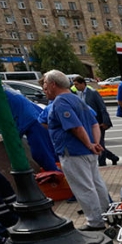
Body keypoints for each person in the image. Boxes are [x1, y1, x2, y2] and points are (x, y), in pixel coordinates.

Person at [41, 70, 111, 231]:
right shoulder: (77, 99)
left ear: (53, 84)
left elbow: (75, 127)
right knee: (96, 183)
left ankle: (95, 221)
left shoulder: (60, 102)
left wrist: (89, 144)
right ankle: (108, 213)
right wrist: (95, 143)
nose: (44, 88)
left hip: (73, 151)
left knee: (83, 187)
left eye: (45, 84)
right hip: (88, 151)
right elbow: (94, 123)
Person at [3, 86, 59, 171]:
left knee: (42, 154)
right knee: (49, 151)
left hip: (30, 120)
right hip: (34, 116)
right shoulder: (3, 88)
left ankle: (58, 176)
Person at [71, 76, 118, 167]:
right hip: (87, 123)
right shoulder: (78, 94)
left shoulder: (92, 93)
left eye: (77, 84)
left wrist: (105, 121)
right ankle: (113, 157)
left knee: (99, 143)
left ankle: (102, 163)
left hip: (98, 123)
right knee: (95, 143)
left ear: (83, 83)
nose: (75, 86)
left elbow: (102, 107)